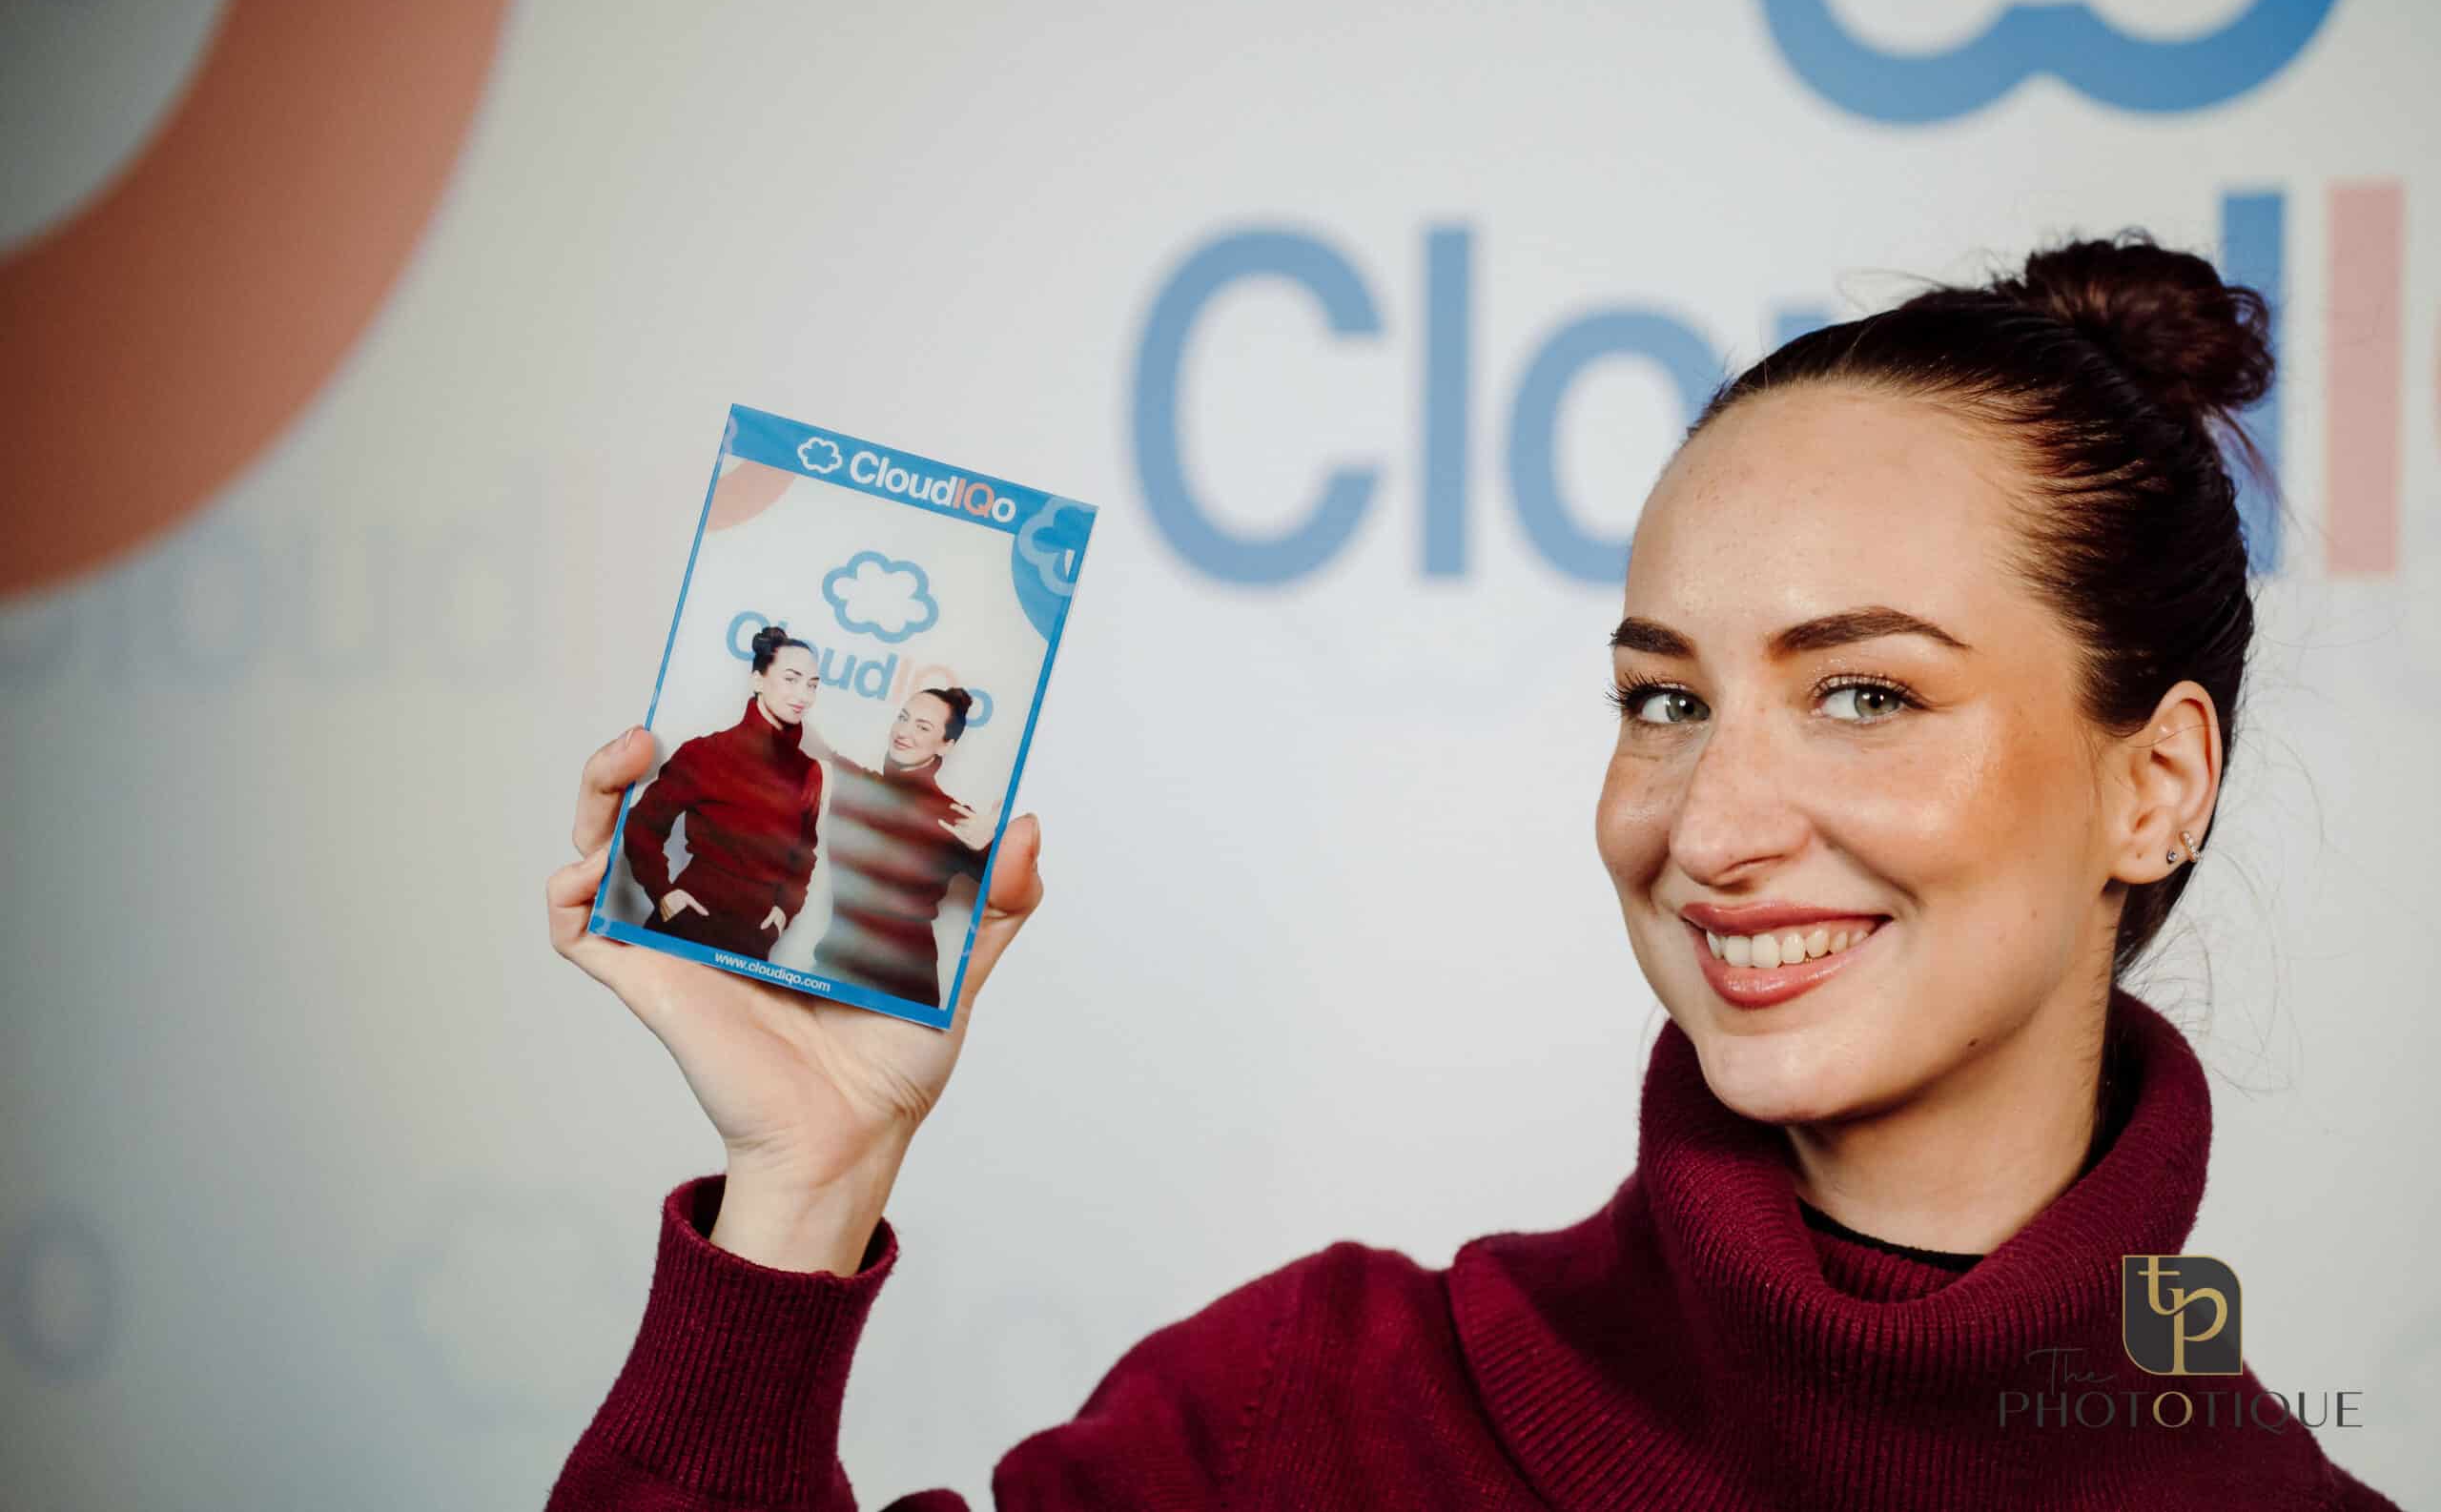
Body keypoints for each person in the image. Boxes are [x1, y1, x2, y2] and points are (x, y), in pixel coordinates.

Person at [539, 235, 2402, 1509]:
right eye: (1660, 698)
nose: (1708, 821)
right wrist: (805, 1187)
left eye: (1858, 688)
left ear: (2151, 786)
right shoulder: (1310, 1414)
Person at [619, 623, 825, 961]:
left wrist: (784, 912)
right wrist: (664, 893)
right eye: (791, 679)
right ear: (757, 680)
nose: (803, 695)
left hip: (752, 944)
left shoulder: (808, 772)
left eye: (812, 685)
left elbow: (804, 856)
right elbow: (641, 825)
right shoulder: (705, 754)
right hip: (685, 930)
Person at [800, 685, 994, 1008]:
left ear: (946, 745)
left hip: (903, 995)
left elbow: (1012, 894)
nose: (905, 732)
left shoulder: (953, 818)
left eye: (923, 727)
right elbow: (805, 741)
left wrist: (993, 846)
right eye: (903, 718)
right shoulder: (855, 784)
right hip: (833, 978)